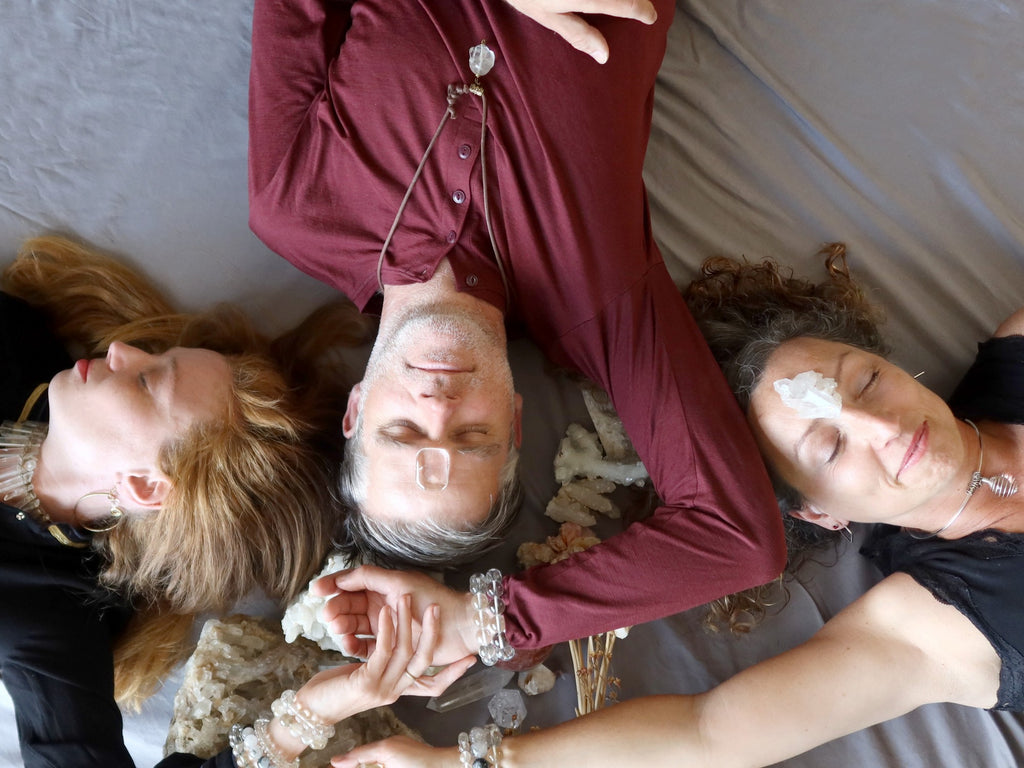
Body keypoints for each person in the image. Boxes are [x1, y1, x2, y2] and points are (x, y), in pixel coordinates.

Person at [313, 247, 1024, 768]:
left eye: (867, 381)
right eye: (829, 448)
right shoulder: (938, 624)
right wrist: (468, 763)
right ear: (819, 512)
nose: (886, 428)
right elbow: (708, 734)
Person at [248, 0, 785, 659]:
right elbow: (739, 540)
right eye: (473, 436)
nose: (439, 405)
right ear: (517, 421)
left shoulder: (295, 208)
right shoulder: (600, 298)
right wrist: (488, 624)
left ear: (355, 410)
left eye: (404, 430)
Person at [0, 234, 367, 767]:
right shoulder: (14, 337)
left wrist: (302, 719)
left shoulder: (50, 619)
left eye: (147, 382)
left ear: (145, 487)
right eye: (152, 358)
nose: (120, 350)